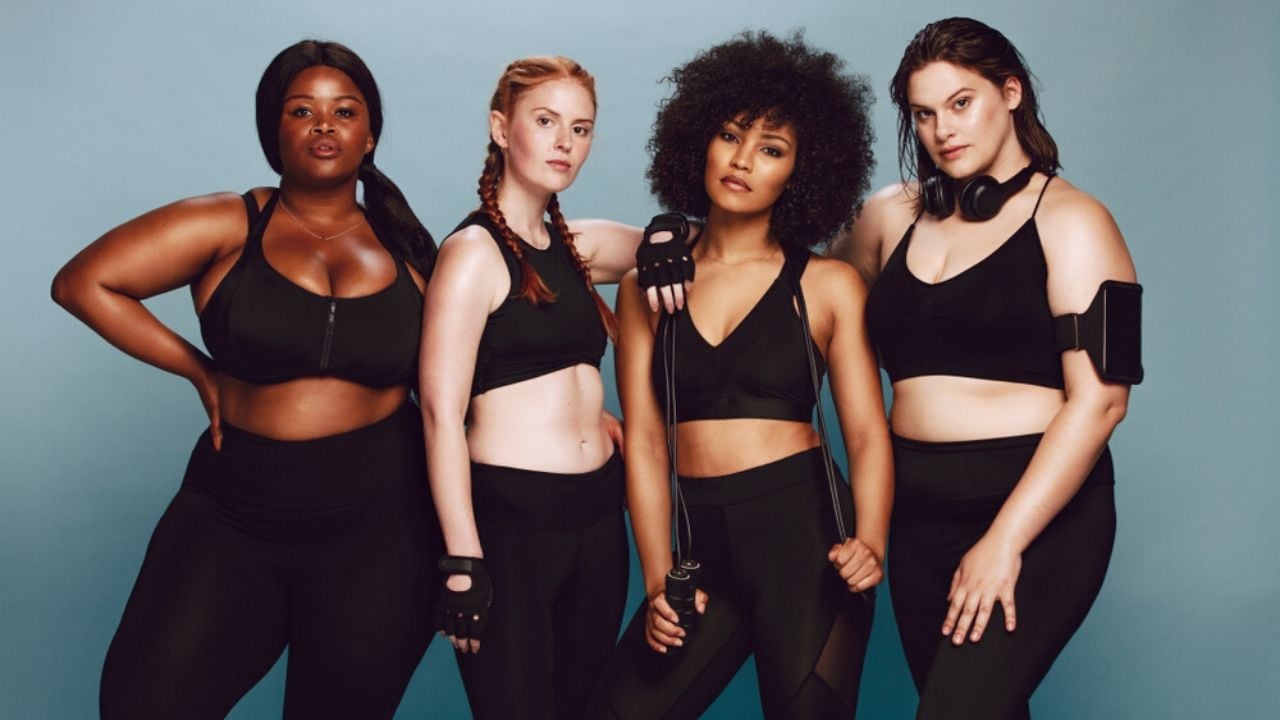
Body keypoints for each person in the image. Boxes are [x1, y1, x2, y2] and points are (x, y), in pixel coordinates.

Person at [50, 40, 440, 719]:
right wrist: (200, 372)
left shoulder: (409, 247)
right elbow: (84, 282)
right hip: (235, 515)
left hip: (383, 524)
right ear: (274, 131)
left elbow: (476, 370)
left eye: (344, 111)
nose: (324, 125)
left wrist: (590, 403)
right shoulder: (230, 223)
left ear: (369, 133)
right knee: (142, 703)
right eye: (302, 110)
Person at [832, 17, 1139, 720]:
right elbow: (790, 295)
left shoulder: (1076, 222)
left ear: (1011, 92)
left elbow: (1102, 403)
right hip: (912, 515)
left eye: (962, 103)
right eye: (925, 114)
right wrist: (665, 241)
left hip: (1038, 515)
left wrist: (1003, 542)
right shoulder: (888, 217)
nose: (943, 129)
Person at [587, 31, 892, 719]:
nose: (744, 160)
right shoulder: (646, 284)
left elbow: (868, 437)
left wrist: (870, 541)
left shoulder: (830, 285)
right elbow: (645, 443)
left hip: (808, 546)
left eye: (772, 149)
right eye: (730, 135)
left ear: (802, 173)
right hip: (700, 555)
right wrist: (660, 576)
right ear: (699, 140)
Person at [420, 55, 675, 720]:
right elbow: (441, 415)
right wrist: (462, 556)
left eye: (582, 128)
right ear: (501, 129)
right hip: (512, 527)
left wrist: (673, 232)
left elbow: (684, 245)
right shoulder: (472, 254)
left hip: (598, 517)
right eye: (546, 120)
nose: (566, 142)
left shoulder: (579, 244)